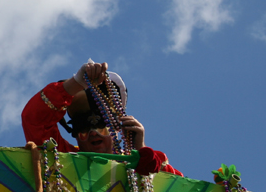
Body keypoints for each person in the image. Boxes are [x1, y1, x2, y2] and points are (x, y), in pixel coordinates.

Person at [21, 60, 182, 176]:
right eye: (82, 127)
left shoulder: (143, 164)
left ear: (118, 128)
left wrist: (141, 153)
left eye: (101, 125)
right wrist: (75, 84)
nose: (92, 132)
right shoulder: (62, 159)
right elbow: (34, 120)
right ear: (74, 134)